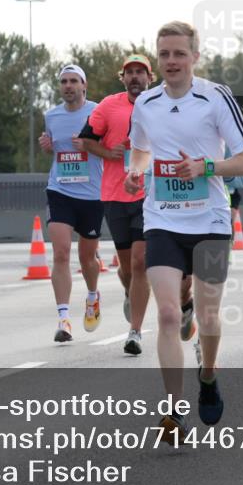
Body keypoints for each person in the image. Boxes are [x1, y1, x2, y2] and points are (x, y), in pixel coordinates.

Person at [126, 21, 243, 439]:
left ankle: (209, 374)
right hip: (162, 218)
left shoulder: (215, 97)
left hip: (210, 220)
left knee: (208, 314)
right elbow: (141, 150)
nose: (171, 61)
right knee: (167, 313)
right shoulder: (146, 103)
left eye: (179, 53)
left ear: (195, 57)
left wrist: (205, 167)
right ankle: (174, 409)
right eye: (164, 54)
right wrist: (135, 171)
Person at [78, 54, 166, 356]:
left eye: (141, 72)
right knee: (127, 268)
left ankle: (135, 332)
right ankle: (130, 290)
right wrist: (107, 152)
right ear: (123, 78)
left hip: (150, 194)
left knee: (141, 263)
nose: (135, 77)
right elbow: (86, 140)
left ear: (150, 78)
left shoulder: (162, 105)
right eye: (130, 72)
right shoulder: (108, 106)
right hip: (114, 195)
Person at [38, 65, 104, 343]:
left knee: (87, 257)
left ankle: (92, 295)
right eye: (64, 81)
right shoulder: (51, 115)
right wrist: (48, 147)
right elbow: (54, 148)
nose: (68, 86)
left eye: (73, 81)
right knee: (61, 252)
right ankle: (63, 319)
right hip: (60, 190)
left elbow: (112, 147)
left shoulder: (98, 112)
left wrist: (89, 146)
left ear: (84, 85)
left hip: (92, 194)